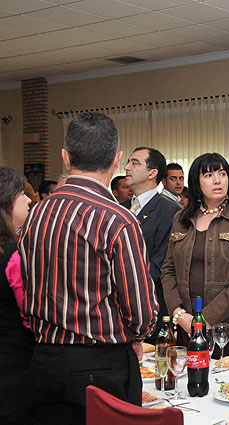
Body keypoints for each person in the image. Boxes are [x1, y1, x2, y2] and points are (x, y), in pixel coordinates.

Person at [20, 112, 158, 424]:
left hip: (44, 361)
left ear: (66, 158)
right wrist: (138, 335)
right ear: (117, 160)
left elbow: (30, 284)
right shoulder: (118, 220)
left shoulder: (36, 214)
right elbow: (141, 310)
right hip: (101, 365)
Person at [161, 153, 229, 359]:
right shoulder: (181, 218)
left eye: (222, 173)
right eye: (208, 175)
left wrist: (205, 318)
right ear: (196, 183)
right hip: (187, 323)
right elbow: (168, 270)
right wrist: (179, 314)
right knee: (193, 383)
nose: (217, 180)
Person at [122, 147, 181, 340]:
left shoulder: (170, 210)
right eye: (128, 162)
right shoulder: (120, 209)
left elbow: (162, 262)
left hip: (152, 304)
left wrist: (126, 283)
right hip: (119, 306)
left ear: (152, 173)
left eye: (134, 162)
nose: (126, 167)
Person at [0, 168, 34, 425]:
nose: (29, 200)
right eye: (22, 193)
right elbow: (32, 314)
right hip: (16, 367)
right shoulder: (15, 256)